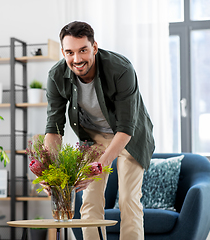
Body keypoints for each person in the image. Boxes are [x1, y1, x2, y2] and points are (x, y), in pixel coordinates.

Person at [44, 21, 155, 240]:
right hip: (93, 137)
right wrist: (51, 173)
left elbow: (125, 128)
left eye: (83, 50)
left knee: (128, 199)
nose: (77, 59)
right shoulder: (56, 76)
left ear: (94, 47)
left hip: (129, 137)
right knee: (89, 200)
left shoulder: (121, 69)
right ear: (63, 52)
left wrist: (98, 167)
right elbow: (54, 129)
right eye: (70, 52)